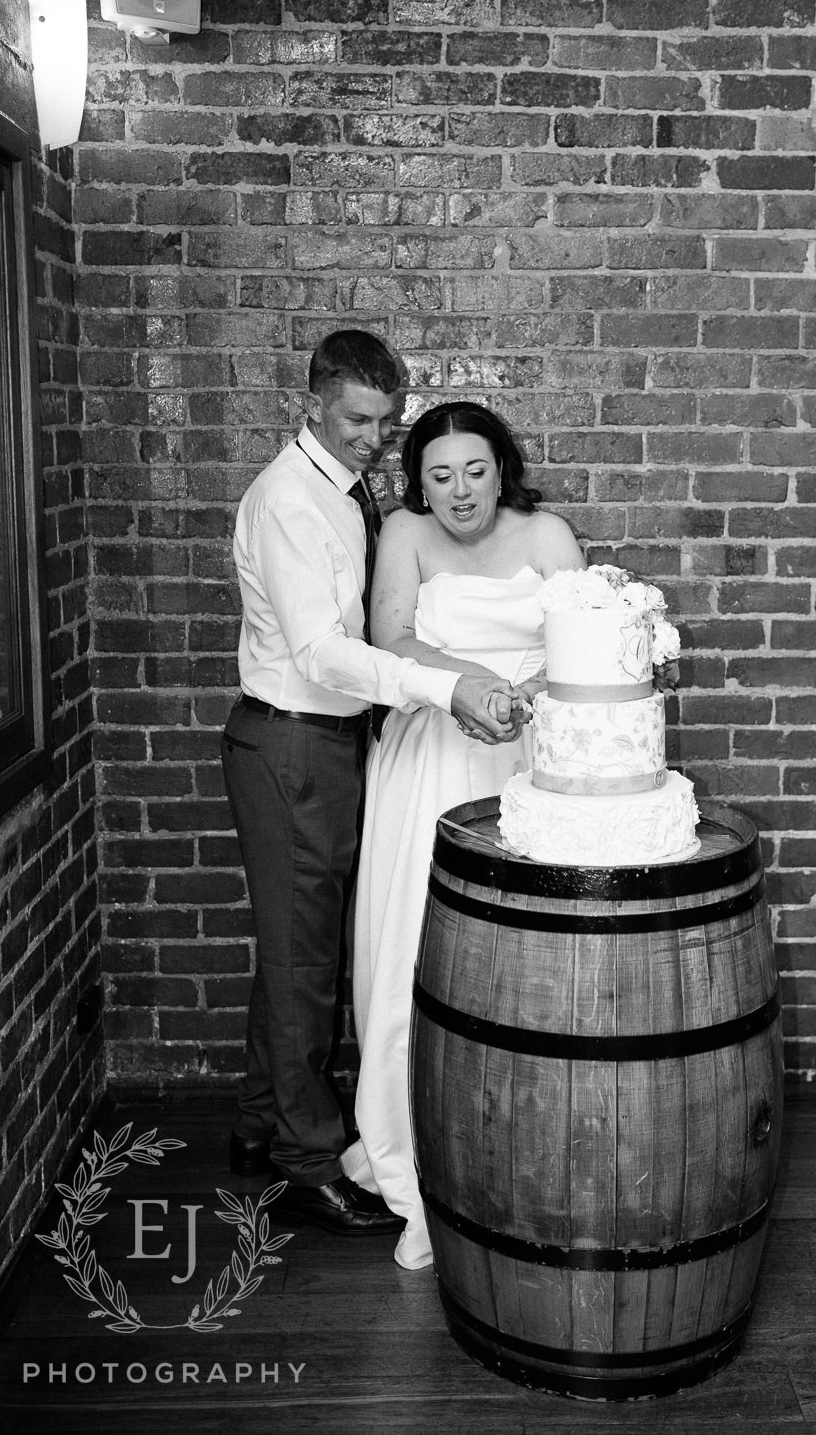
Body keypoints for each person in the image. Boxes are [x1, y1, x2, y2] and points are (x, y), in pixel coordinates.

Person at [222, 335, 521, 1235]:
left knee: (294, 947)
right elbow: (319, 652)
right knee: (306, 962)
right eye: (357, 419)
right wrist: (441, 687)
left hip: (330, 744)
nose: (373, 439)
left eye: (386, 422)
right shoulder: (287, 501)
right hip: (289, 745)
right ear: (312, 403)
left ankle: (257, 1122)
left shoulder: (342, 491)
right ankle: (309, 1162)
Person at [340, 401, 586, 1269]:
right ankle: (415, 1171)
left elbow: (580, 645)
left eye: (475, 471)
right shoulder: (403, 533)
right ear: (420, 483)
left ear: (501, 466)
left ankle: (526, 1157)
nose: (459, 492)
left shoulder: (547, 533)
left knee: (529, 963)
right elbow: (393, 637)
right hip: (433, 752)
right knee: (417, 948)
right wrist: (473, 685)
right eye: (439, 476)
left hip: (528, 756)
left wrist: (521, 701)